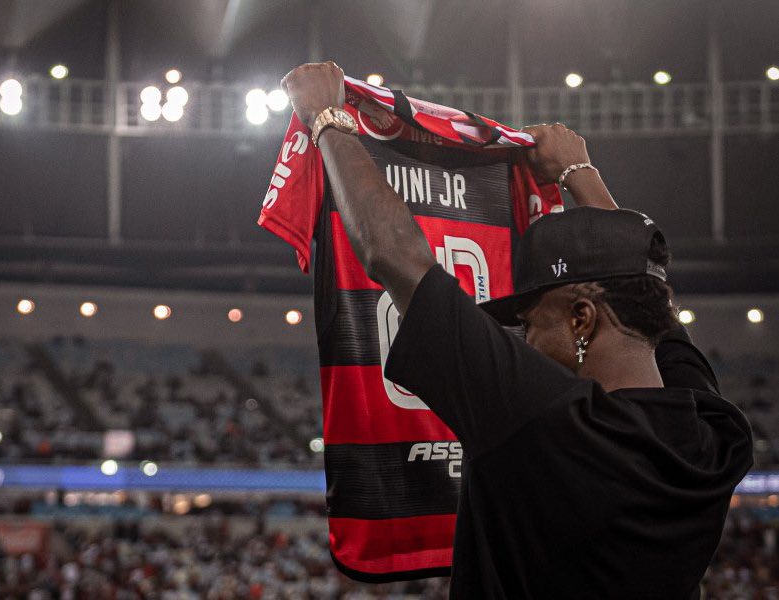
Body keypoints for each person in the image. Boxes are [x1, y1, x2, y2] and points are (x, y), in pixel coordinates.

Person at [281, 61, 753, 598]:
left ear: (582, 319)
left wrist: (327, 119)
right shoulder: (716, 433)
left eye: (531, 322)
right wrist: (579, 171)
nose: (524, 339)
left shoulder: (542, 419)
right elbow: (652, 306)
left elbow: (395, 258)